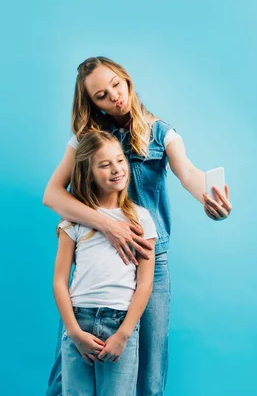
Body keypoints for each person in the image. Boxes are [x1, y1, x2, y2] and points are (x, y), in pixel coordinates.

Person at [44, 56, 233, 395]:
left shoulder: (162, 133)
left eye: (116, 84)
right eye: (101, 95)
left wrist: (210, 200)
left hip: (149, 260)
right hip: (94, 257)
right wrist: (106, 224)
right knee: (68, 367)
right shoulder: (86, 141)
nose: (114, 96)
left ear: (126, 79)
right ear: (91, 102)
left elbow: (188, 172)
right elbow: (52, 195)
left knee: (149, 368)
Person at [54, 131, 157, 395]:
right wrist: (75, 333)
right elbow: (60, 281)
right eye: (104, 164)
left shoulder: (141, 219)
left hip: (120, 324)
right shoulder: (75, 219)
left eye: (120, 160)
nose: (116, 169)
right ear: (88, 174)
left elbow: (144, 284)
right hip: (79, 321)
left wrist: (124, 334)